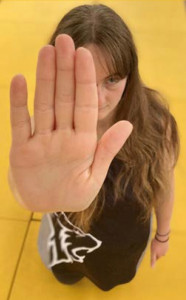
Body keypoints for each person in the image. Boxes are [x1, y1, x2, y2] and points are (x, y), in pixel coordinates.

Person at [8, 4, 180, 292]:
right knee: (64, 275)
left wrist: (162, 236)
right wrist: (23, 193)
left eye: (112, 80)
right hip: (64, 238)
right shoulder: (50, 129)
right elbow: (25, 181)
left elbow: (164, 184)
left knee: (110, 281)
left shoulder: (155, 124)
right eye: (84, 80)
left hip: (121, 245)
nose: (99, 99)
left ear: (130, 75)